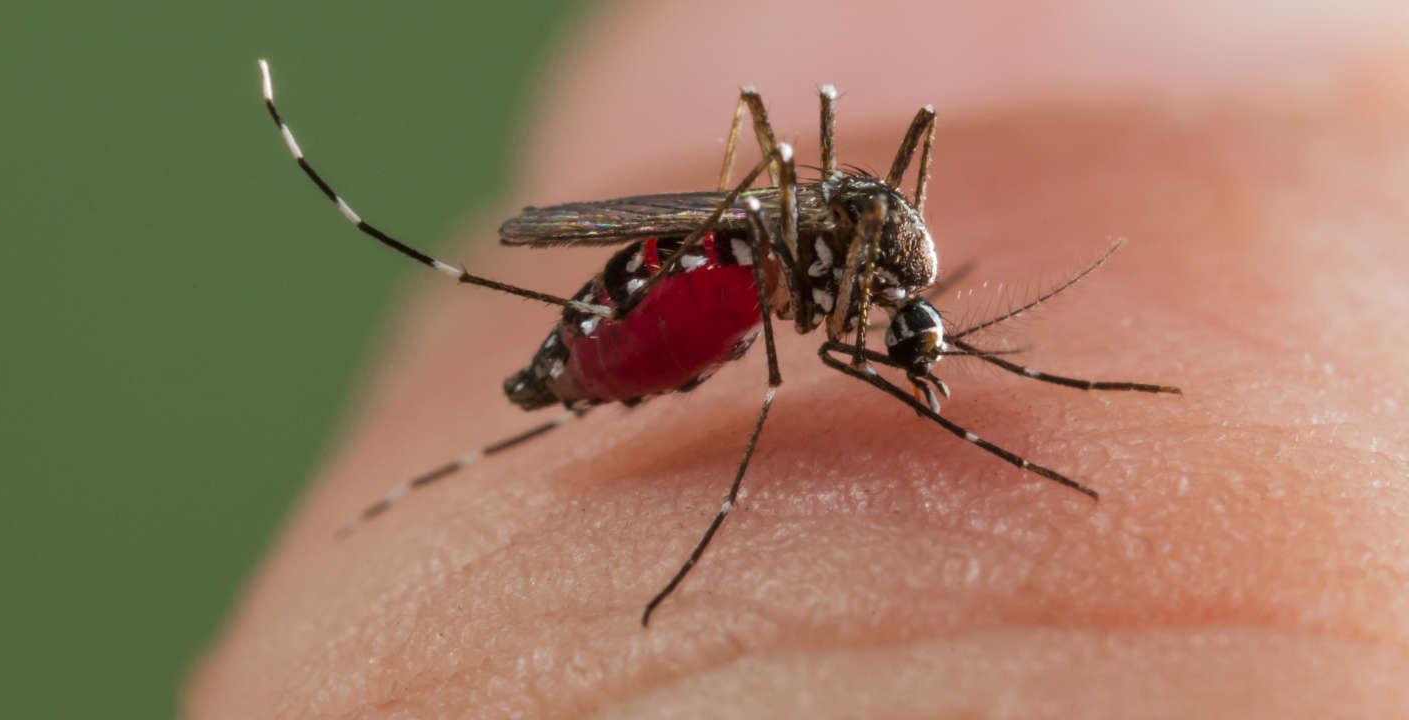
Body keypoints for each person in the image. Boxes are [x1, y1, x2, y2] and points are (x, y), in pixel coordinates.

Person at [189, 1, 1409, 715]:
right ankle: (683, 342)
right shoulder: (861, 272)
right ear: (901, 311)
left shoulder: (890, 275)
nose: (921, 359)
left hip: (741, 267)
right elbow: (825, 261)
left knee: (799, 192)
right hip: (720, 268)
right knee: (784, 201)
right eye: (921, 348)